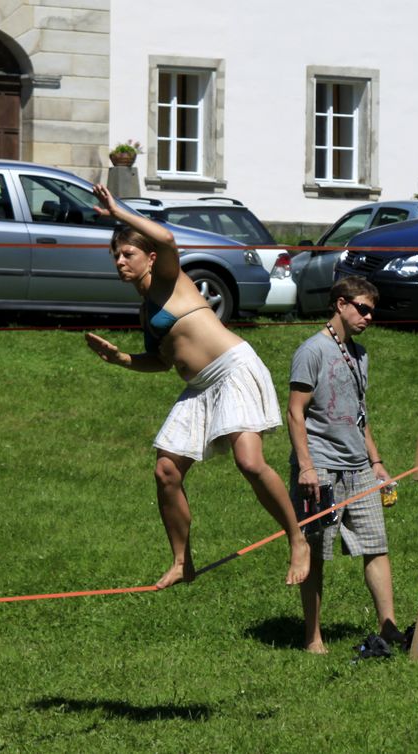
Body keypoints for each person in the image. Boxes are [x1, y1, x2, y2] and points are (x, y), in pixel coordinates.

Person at [84, 184, 310, 589]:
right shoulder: (145, 307)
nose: (120, 261)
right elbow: (163, 361)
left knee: (250, 462)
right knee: (166, 470)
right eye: (115, 255)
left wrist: (119, 211)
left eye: (127, 253)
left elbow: (167, 238)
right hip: (199, 387)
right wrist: (120, 359)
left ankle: (297, 539)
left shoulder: (169, 279)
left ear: (149, 258)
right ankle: (181, 561)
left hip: (233, 369)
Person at [287, 276, 402, 654]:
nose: (368, 317)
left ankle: (389, 628)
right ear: (340, 304)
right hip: (321, 468)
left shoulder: (361, 354)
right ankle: (313, 637)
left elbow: (359, 416)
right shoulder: (312, 351)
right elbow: (295, 412)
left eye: (372, 311)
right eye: (362, 309)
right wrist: (306, 467)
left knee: (376, 545)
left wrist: (378, 462)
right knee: (316, 553)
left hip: (359, 468)